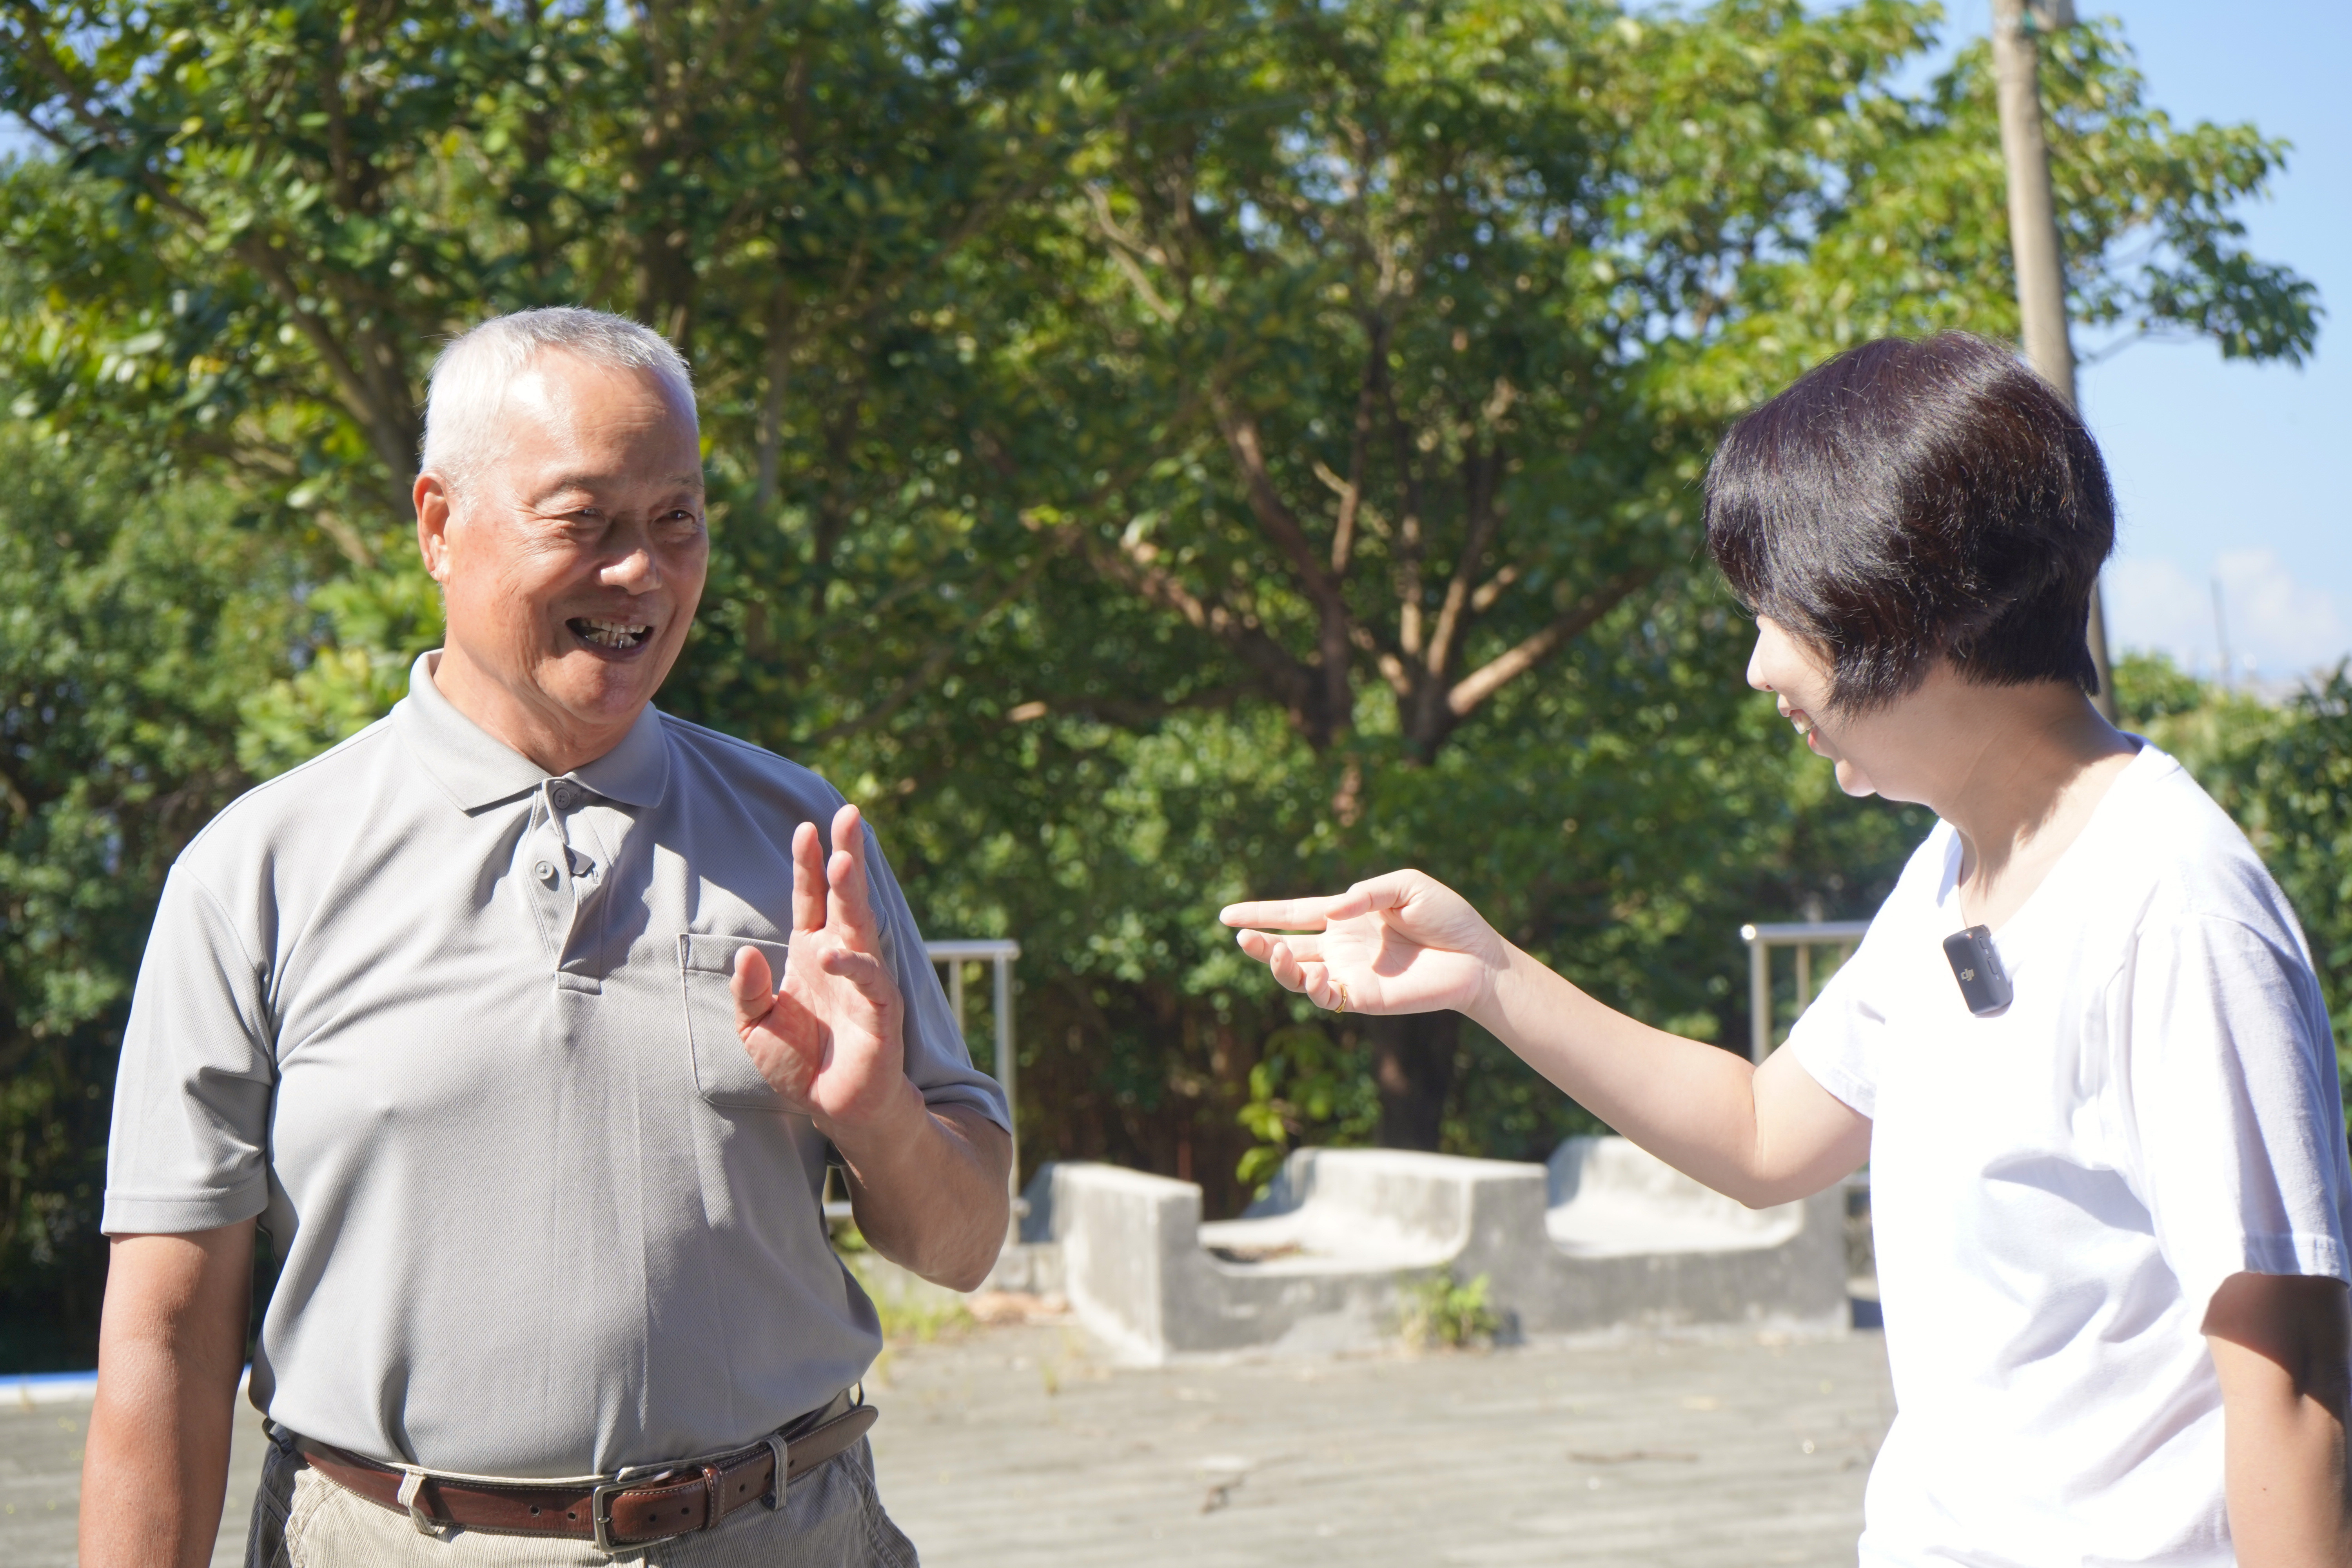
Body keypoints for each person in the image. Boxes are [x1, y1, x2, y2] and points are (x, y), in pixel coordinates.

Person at [1223, 332, 2352, 1567]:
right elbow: (1767, 1136)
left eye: (1785, 614)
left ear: (1916, 603)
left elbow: (2292, 1391)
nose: (1760, 666)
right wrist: (1487, 976)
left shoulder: (2175, 912)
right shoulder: (1954, 867)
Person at [80, 307, 1012, 1567]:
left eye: (677, 519)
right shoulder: (257, 872)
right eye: (584, 522)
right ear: (438, 524)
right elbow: (165, 1339)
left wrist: (879, 1114)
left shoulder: (803, 843)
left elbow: (965, 1244)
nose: (642, 573)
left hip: (784, 1533)